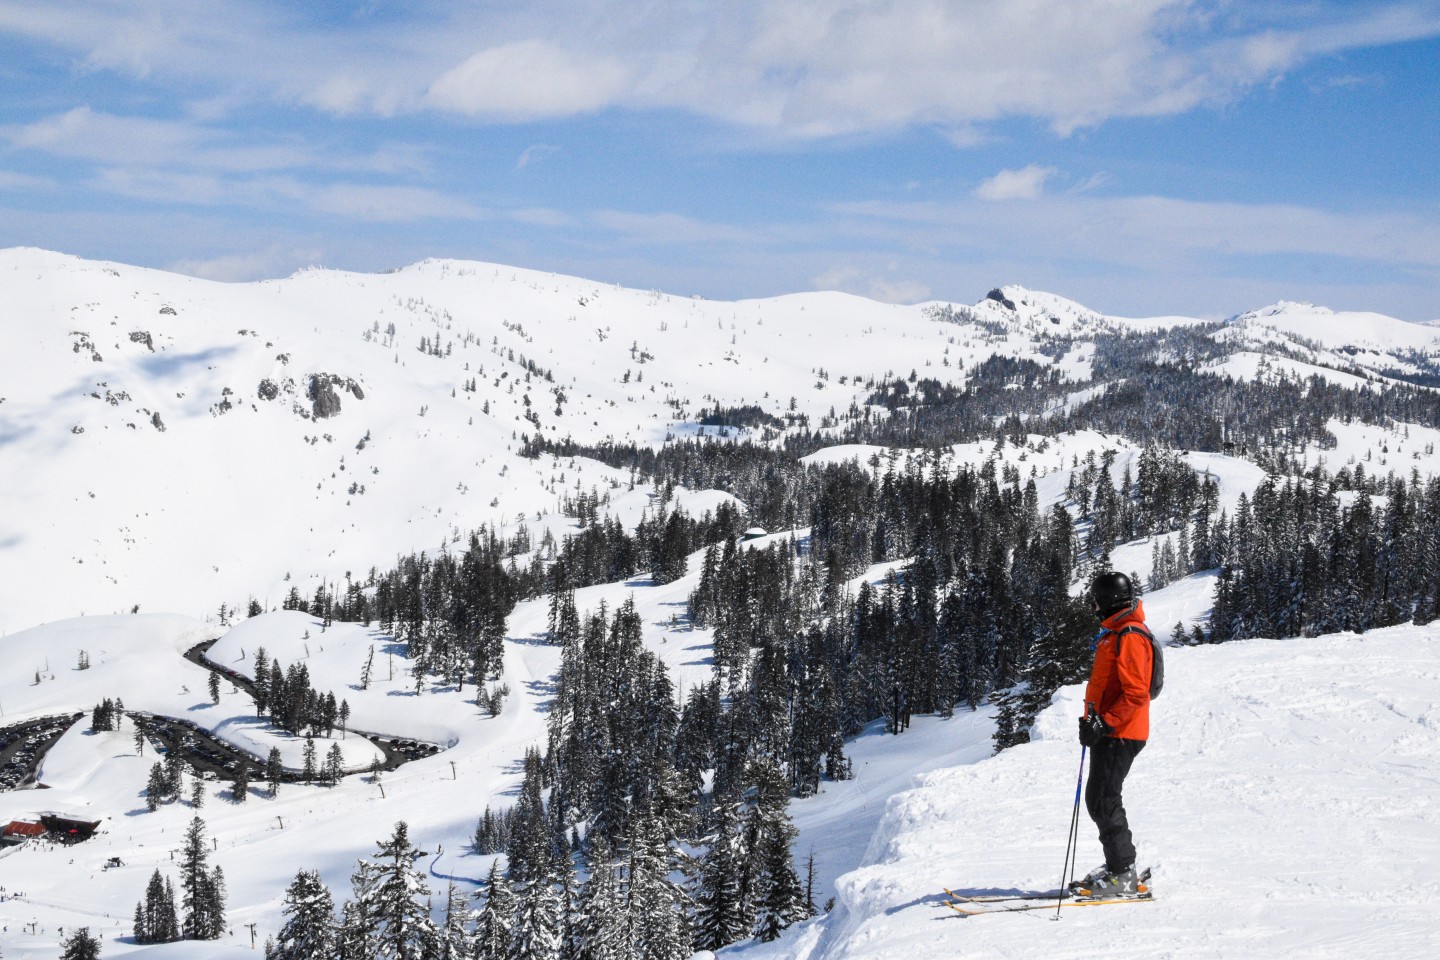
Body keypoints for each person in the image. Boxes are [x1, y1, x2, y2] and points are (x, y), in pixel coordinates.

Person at [1074, 570, 1152, 897]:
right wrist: (1093, 721)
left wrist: (1104, 722)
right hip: (1109, 730)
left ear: (1107, 601)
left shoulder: (1130, 635)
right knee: (1099, 799)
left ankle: (1124, 874)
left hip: (1121, 731)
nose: (1094, 607)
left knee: (1104, 799)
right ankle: (1118, 865)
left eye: (1096, 601)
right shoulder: (1115, 633)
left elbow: (1136, 693)